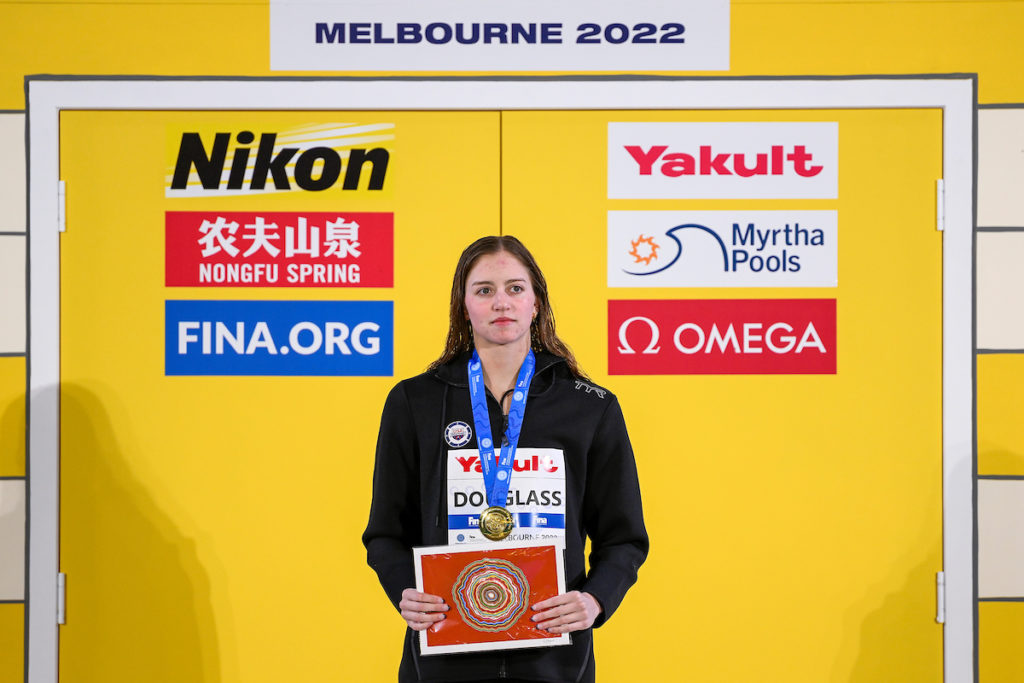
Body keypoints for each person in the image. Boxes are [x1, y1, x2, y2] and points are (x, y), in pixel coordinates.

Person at [363, 235, 648, 682]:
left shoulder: (590, 406)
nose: (502, 303)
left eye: (516, 288)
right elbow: (384, 533)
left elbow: (624, 538)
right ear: (464, 305)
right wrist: (404, 588)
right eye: (484, 290)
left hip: (554, 658)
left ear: (537, 303)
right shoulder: (413, 401)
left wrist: (595, 600)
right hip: (444, 653)